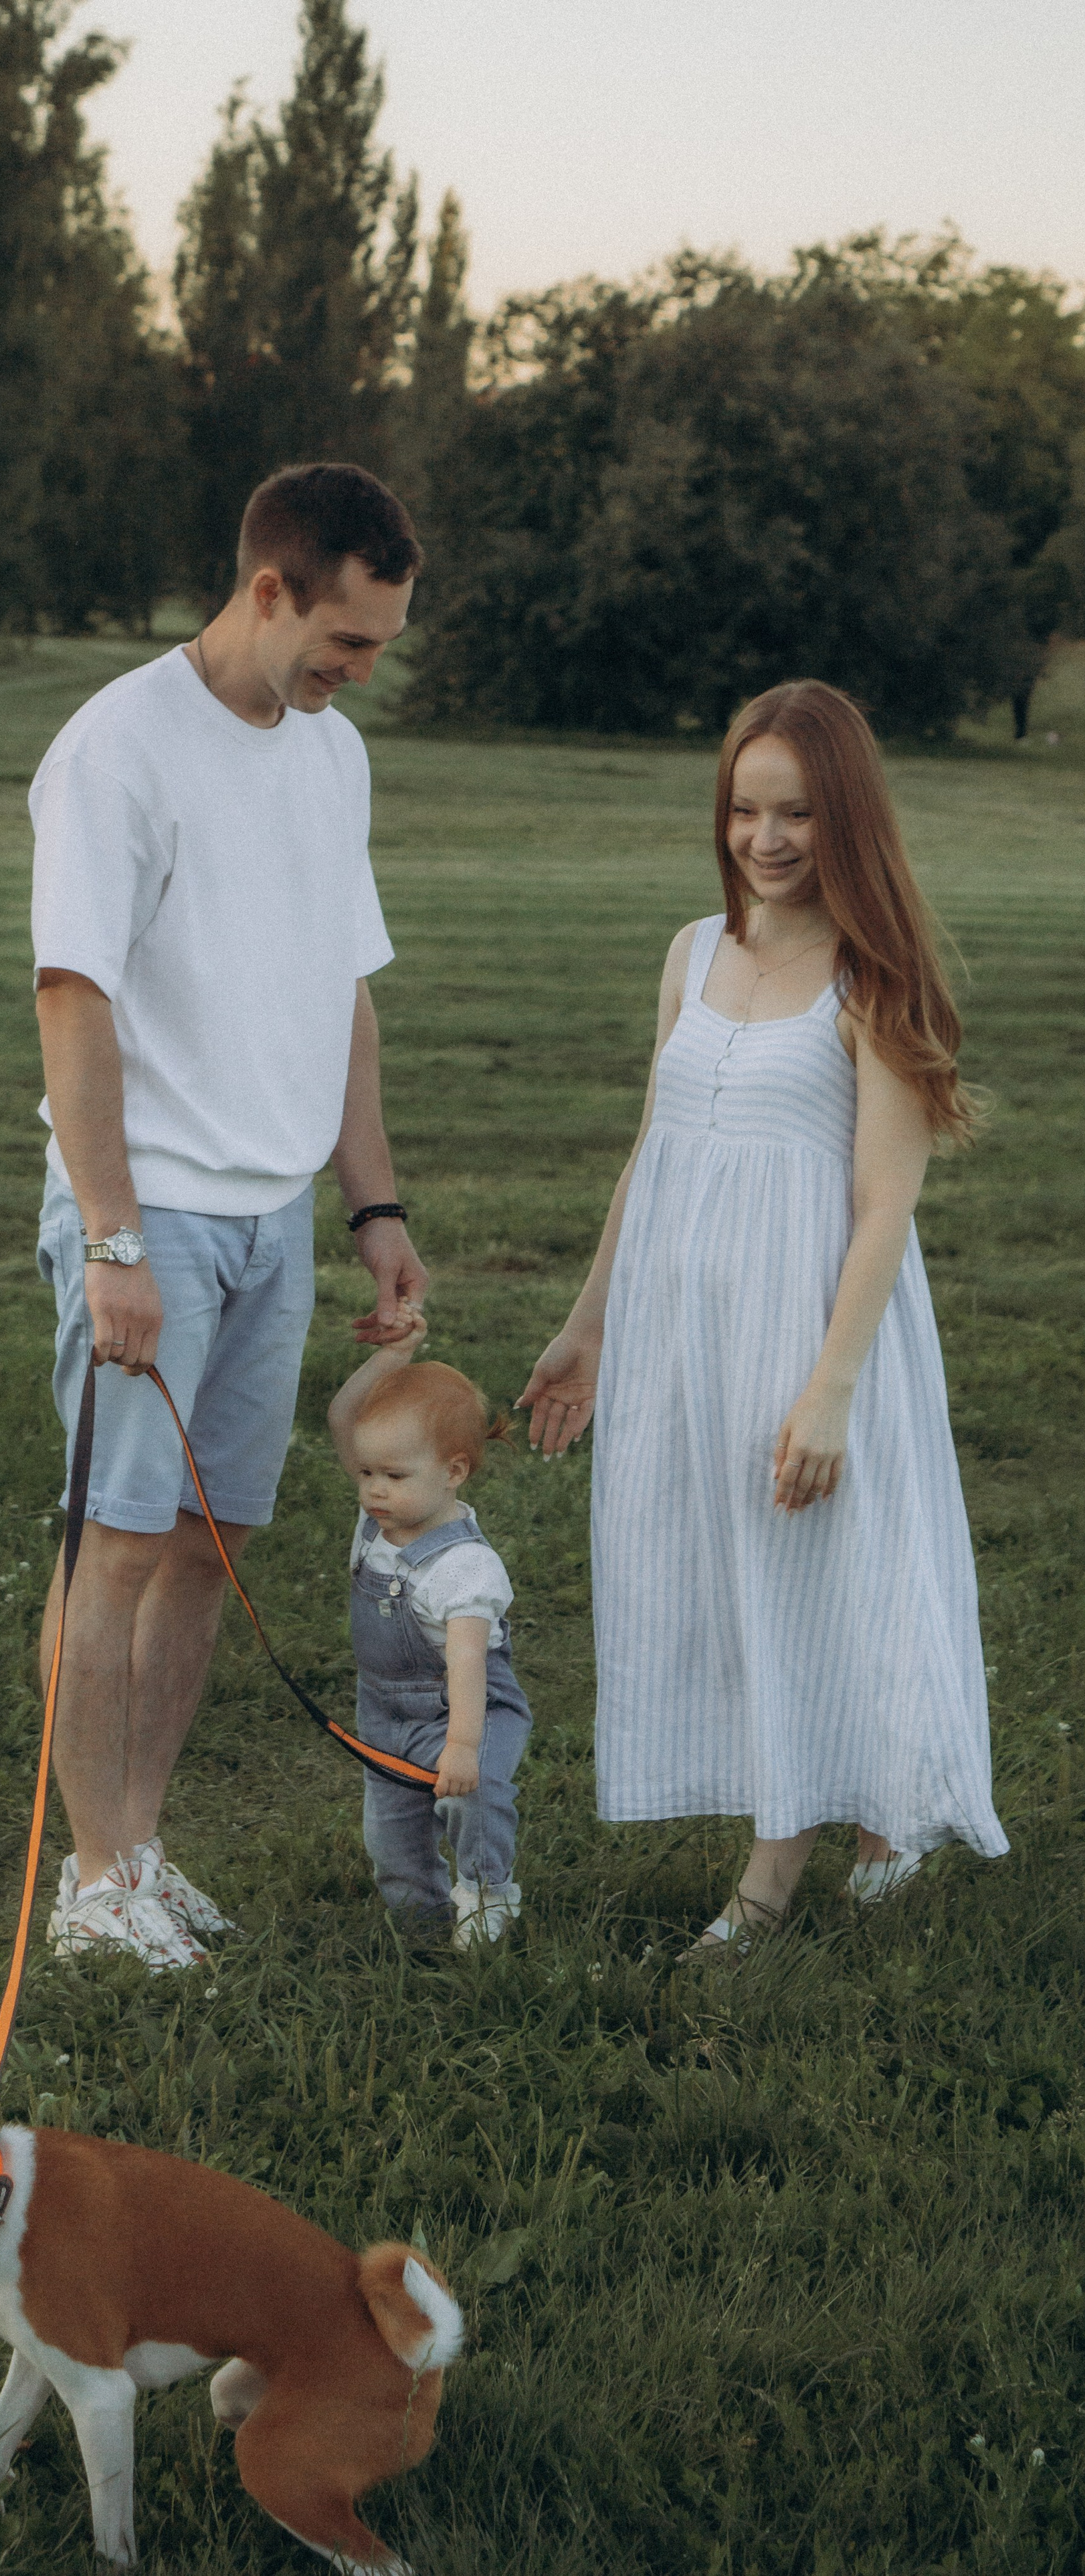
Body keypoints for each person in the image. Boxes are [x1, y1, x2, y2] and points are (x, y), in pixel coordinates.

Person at [518, 679, 1007, 1954]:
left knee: (822, 1569)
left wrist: (832, 1387)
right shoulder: (694, 951)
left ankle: (777, 1875)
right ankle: (864, 1805)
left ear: (844, 816)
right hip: (689, 1327)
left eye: (795, 812)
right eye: (746, 809)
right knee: (735, 1571)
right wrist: (589, 1325)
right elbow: (656, 1150)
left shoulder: (871, 976)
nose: (767, 838)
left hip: (814, 1319)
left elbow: (885, 1202)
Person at [30, 463, 429, 1969]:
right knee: (114, 1544)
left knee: (210, 1538)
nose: (357, 671)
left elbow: (343, 999)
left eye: (377, 644)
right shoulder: (115, 750)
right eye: (346, 639)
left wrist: (371, 1204)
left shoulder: (330, 758)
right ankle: (88, 1879)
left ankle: (139, 1846)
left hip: (271, 1215)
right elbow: (72, 1000)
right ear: (269, 588)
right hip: (156, 1217)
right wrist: (114, 1235)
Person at [327, 1307, 532, 1947]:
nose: (373, 1491)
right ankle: (421, 1931)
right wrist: (392, 1358)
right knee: (390, 1835)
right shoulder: (379, 1524)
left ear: (455, 1471)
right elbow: (344, 1418)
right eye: (366, 1473)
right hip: (385, 1714)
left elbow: (467, 1661)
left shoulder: (464, 1568)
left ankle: (485, 1896)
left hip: (464, 1712)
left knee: (474, 1801)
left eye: (393, 1476)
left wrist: (463, 1747)